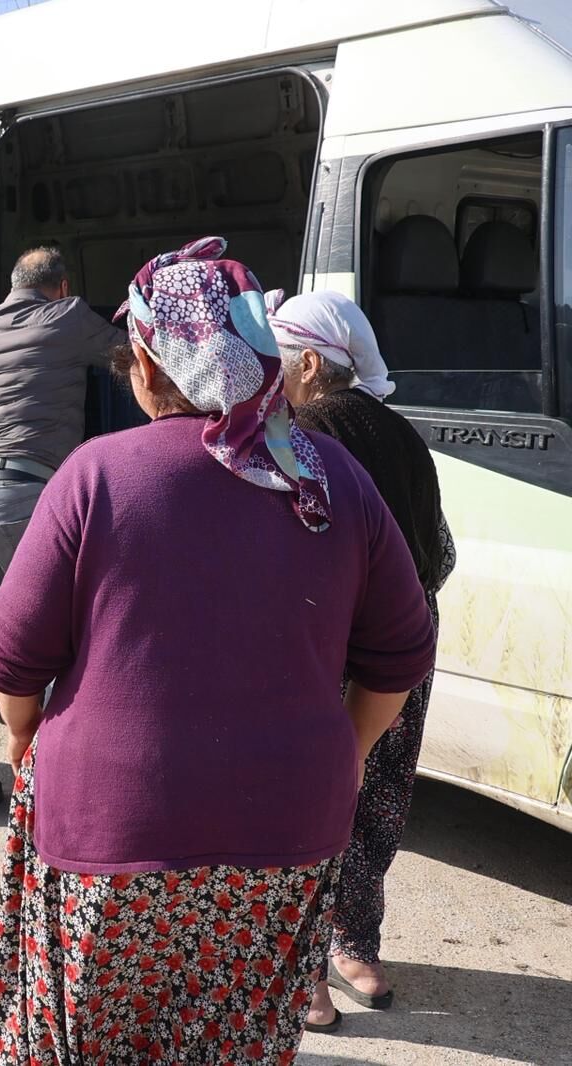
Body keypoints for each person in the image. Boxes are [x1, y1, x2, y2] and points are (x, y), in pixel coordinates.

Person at [0, 238, 437, 1065]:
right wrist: (351, 751)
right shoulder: (330, 477)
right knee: (237, 1043)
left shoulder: (96, 475)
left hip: (112, 830)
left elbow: (9, 656)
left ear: (150, 365)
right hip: (288, 831)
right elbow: (402, 652)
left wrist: (23, 736)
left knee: (98, 1040)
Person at [268, 289, 456, 1031]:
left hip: (330, 643)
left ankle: (306, 970)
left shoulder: (296, 433)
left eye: (276, 362)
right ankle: (356, 947)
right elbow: (440, 552)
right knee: (377, 797)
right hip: (407, 642)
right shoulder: (404, 434)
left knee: (310, 799)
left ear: (310, 364)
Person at [0, 244, 121, 823]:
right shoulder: (66, 318)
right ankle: (46, 784)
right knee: (50, 636)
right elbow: (131, 358)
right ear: (62, 286)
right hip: (23, 493)